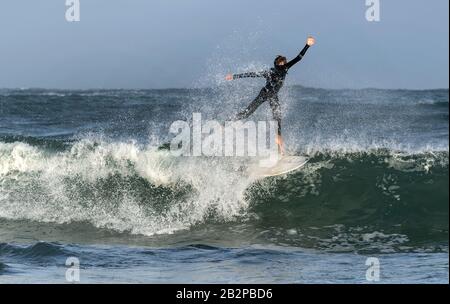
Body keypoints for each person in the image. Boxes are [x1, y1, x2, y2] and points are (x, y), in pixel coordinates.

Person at [226, 36, 315, 155]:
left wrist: (307, 45)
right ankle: (227, 122)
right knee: (250, 113)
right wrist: (234, 76)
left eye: (284, 62)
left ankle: (279, 148)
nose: (283, 64)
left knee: (276, 117)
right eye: (281, 63)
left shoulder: (279, 69)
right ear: (278, 64)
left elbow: (298, 58)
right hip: (265, 94)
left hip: (271, 95)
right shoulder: (275, 70)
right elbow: (251, 74)